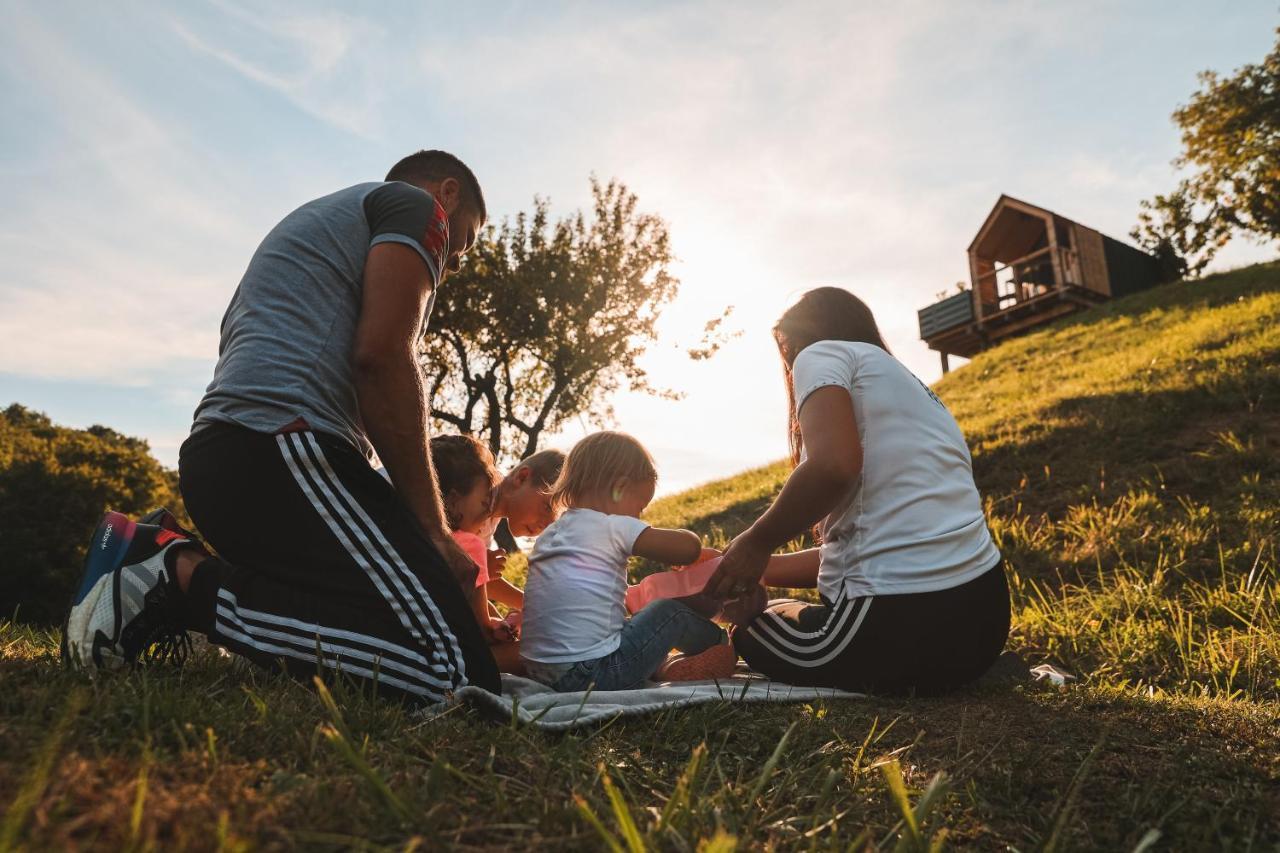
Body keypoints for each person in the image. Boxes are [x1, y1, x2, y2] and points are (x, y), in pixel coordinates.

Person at [62, 150, 501, 704]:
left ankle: (192, 584)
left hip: (238, 457)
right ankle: (174, 575)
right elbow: (383, 358)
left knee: (430, 627)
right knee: (457, 676)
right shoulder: (416, 206)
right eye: (465, 240)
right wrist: (434, 534)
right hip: (281, 448)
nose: (455, 259)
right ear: (449, 193)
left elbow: (364, 386)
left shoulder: (324, 231)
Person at [707, 287, 1009, 695]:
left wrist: (758, 540)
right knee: (782, 608)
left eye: (786, 350)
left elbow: (834, 466)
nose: (790, 363)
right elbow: (872, 550)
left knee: (753, 629)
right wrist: (748, 563)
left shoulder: (820, 354)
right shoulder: (913, 389)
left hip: (900, 631)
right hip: (984, 625)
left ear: (798, 338)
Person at [520, 431, 736, 691]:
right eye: (640, 507)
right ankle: (720, 646)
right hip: (593, 675)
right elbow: (688, 548)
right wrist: (694, 549)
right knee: (668, 613)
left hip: (540, 673)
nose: (639, 515)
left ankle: (665, 666)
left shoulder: (551, 535)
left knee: (625, 625)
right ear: (619, 488)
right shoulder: (611, 526)